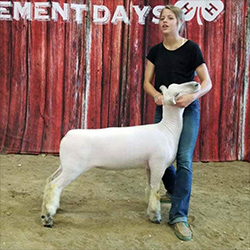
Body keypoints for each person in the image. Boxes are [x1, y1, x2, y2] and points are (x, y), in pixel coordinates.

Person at [143, 5, 212, 241]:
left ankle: (179, 216)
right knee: (157, 158)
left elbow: (206, 82)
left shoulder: (192, 48)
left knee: (183, 159)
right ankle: (174, 191)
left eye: (170, 18)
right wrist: (156, 95)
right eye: (162, 18)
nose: (164, 21)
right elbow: (147, 83)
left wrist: (192, 97)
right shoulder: (155, 51)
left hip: (188, 110)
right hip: (164, 110)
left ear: (179, 22)